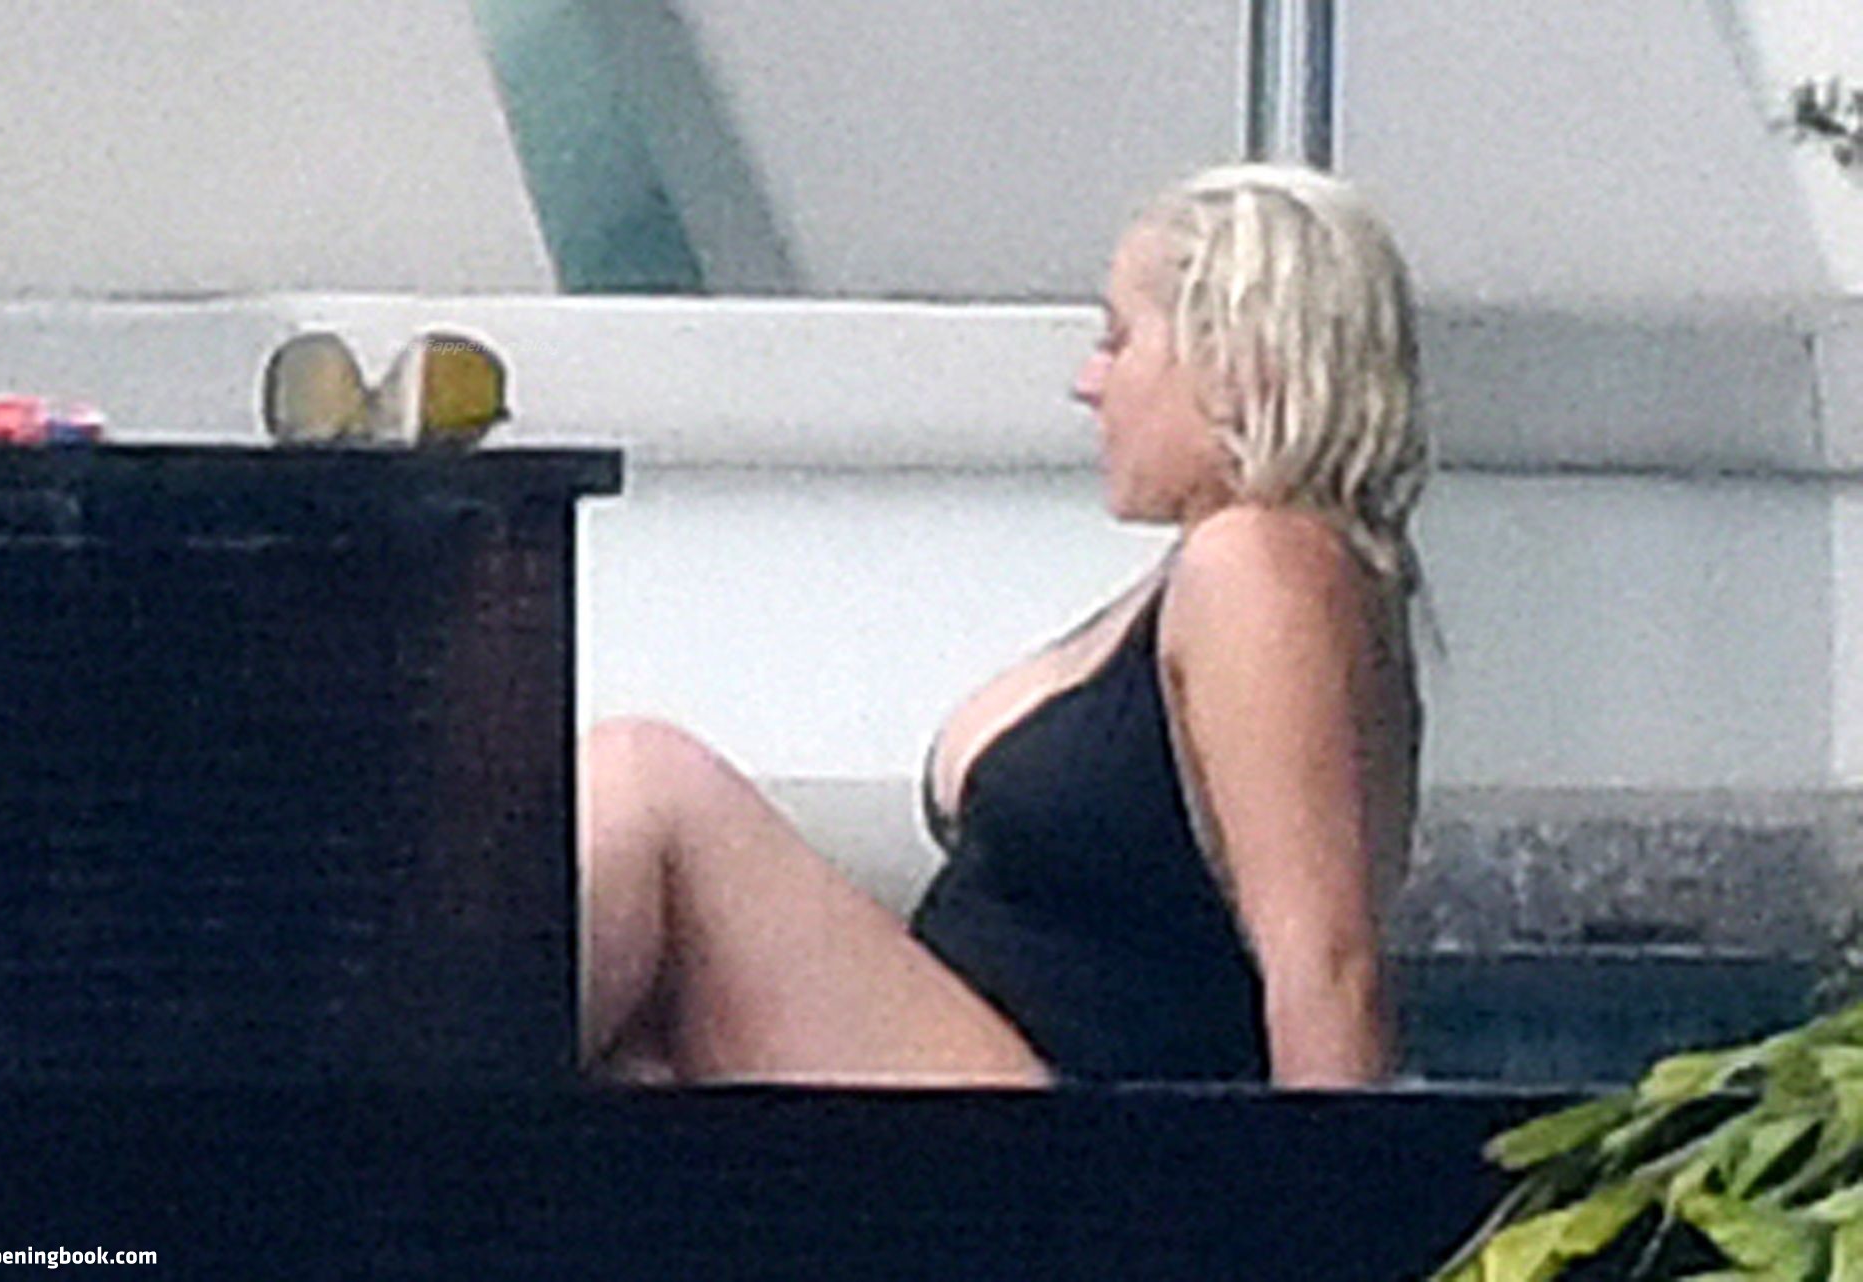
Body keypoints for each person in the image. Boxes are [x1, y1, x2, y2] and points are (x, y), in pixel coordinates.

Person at [585, 162, 1429, 1088]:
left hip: (1077, 1120)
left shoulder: (1264, 564)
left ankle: (449, 1111)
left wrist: (1330, 1177)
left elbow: (1325, 963)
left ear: (1234, 360)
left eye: (1119, 340)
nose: (1088, 383)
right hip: (998, 1080)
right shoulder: (1214, 573)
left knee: (646, 782)